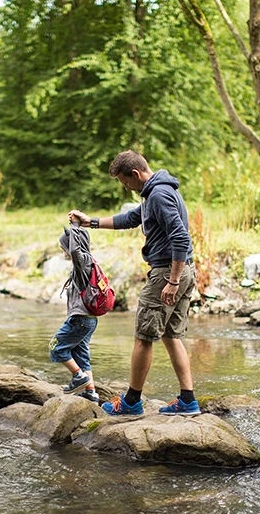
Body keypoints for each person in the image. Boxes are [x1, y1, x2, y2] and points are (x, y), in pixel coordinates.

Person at [69, 149, 199, 416]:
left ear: (136, 174)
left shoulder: (159, 195)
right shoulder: (158, 191)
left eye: (124, 182)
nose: (125, 187)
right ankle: (188, 401)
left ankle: (131, 402)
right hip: (185, 270)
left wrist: (172, 282)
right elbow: (130, 218)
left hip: (168, 272)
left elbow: (181, 238)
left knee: (143, 338)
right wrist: (90, 222)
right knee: (171, 335)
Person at [48, 222, 100, 403]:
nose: (63, 250)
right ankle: (91, 392)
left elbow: (76, 251)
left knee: (56, 347)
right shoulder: (90, 262)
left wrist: (75, 227)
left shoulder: (82, 261)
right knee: (81, 354)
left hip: (80, 320)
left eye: (64, 246)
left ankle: (78, 376)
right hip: (89, 319)